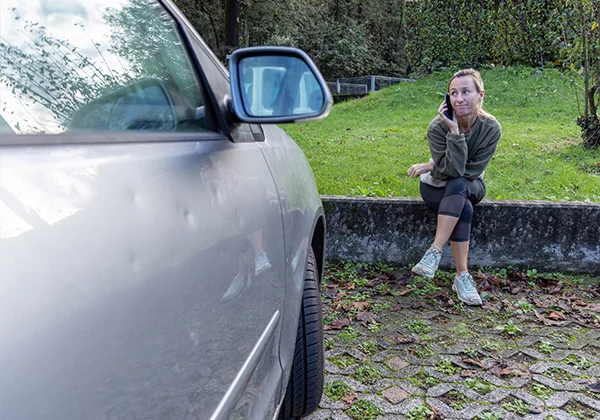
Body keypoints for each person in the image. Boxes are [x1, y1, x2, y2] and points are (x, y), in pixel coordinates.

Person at [407, 68, 501, 306]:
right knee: (464, 208)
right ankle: (462, 276)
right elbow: (448, 171)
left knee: (460, 184)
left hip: (471, 184)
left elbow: (467, 171)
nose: (458, 99)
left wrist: (434, 162)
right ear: (446, 98)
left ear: (480, 94)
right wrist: (453, 131)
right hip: (435, 189)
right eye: (453, 93)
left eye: (466, 92)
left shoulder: (491, 128)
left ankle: (435, 251)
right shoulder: (437, 128)